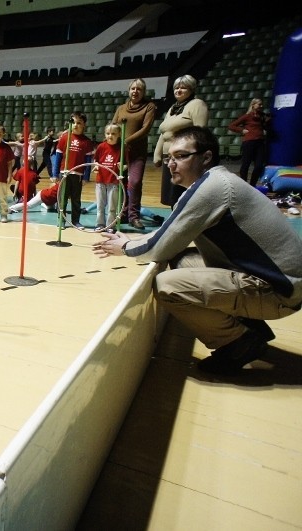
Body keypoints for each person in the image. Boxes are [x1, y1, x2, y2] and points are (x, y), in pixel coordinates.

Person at [92, 126, 302, 375]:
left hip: (281, 293)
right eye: (169, 157)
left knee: (167, 285)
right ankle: (250, 325)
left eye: (181, 156)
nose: (171, 163)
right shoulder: (216, 181)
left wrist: (125, 248)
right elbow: (170, 234)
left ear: (206, 157)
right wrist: (131, 238)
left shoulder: (211, 189)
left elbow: (157, 248)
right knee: (182, 259)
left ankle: (238, 343)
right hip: (281, 282)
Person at [154, 74, 208, 207]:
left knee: (181, 193)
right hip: (170, 157)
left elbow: (200, 133)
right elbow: (164, 133)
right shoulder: (173, 108)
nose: (178, 90)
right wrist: (157, 153)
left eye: (183, 88)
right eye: (176, 88)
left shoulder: (197, 104)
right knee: (171, 194)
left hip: (184, 158)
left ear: (191, 89)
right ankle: (174, 221)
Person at [112, 78, 157, 229]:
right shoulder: (121, 108)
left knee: (135, 182)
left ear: (143, 92)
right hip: (121, 152)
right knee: (121, 182)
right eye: (133, 88)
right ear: (129, 90)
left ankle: (134, 216)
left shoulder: (149, 107)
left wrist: (127, 141)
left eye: (139, 89)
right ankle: (123, 214)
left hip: (137, 152)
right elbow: (113, 126)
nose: (135, 91)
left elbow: (145, 129)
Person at [54, 111, 94, 228]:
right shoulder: (64, 138)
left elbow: (88, 162)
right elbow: (58, 156)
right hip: (64, 174)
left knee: (76, 200)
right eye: (73, 122)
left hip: (78, 175)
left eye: (79, 123)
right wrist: (55, 174)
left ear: (84, 125)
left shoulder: (87, 142)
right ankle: (61, 220)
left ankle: (76, 221)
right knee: (63, 199)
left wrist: (86, 177)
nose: (75, 125)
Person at [228, 98, 270, 186]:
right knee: (245, 165)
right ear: (253, 105)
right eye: (259, 104)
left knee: (259, 165)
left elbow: (265, 126)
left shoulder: (262, 116)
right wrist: (242, 130)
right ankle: (244, 185)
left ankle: (252, 185)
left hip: (260, 142)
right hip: (249, 142)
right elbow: (231, 126)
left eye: (261, 104)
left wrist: (267, 122)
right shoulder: (247, 116)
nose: (261, 106)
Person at [92, 123, 123, 232]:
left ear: (119, 134)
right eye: (108, 133)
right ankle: (100, 224)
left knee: (112, 207)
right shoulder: (101, 146)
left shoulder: (121, 148)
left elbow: (126, 164)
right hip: (100, 180)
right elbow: (96, 160)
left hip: (113, 181)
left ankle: (110, 226)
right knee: (100, 205)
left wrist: (122, 167)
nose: (110, 136)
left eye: (113, 133)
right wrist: (96, 165)